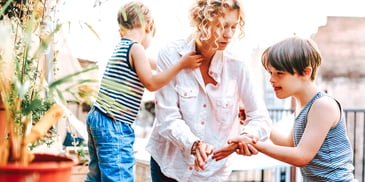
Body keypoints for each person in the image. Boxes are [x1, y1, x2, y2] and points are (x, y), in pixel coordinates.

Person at [145, 0, 272, 181]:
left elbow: (259, 117)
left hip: (213, 171)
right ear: (202, 22)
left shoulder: (237, 64)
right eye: (221, 26)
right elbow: (168, 117)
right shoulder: (171, 53)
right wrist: (194, 144)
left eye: (233, 27)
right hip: (169, 165)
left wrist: (245, 137)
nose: (228, 35)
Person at [85, 1, 203, 182]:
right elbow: (151, 83)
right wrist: (181, 65)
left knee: (97, 176)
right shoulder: (136, 48)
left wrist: (178, 61)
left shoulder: (122, 46)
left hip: (98, 117)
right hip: (114, 122)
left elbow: (159, 65)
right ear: (148, 27)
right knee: (118, 176)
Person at [215, 36, 355, 181]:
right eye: (270, 73)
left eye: (279, 73)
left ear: (306, 72)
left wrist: (254, 144)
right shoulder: (304, 105)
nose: (272, 79)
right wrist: (261, 123)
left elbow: (301, 156)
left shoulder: (323, 106)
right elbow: (290, 144)